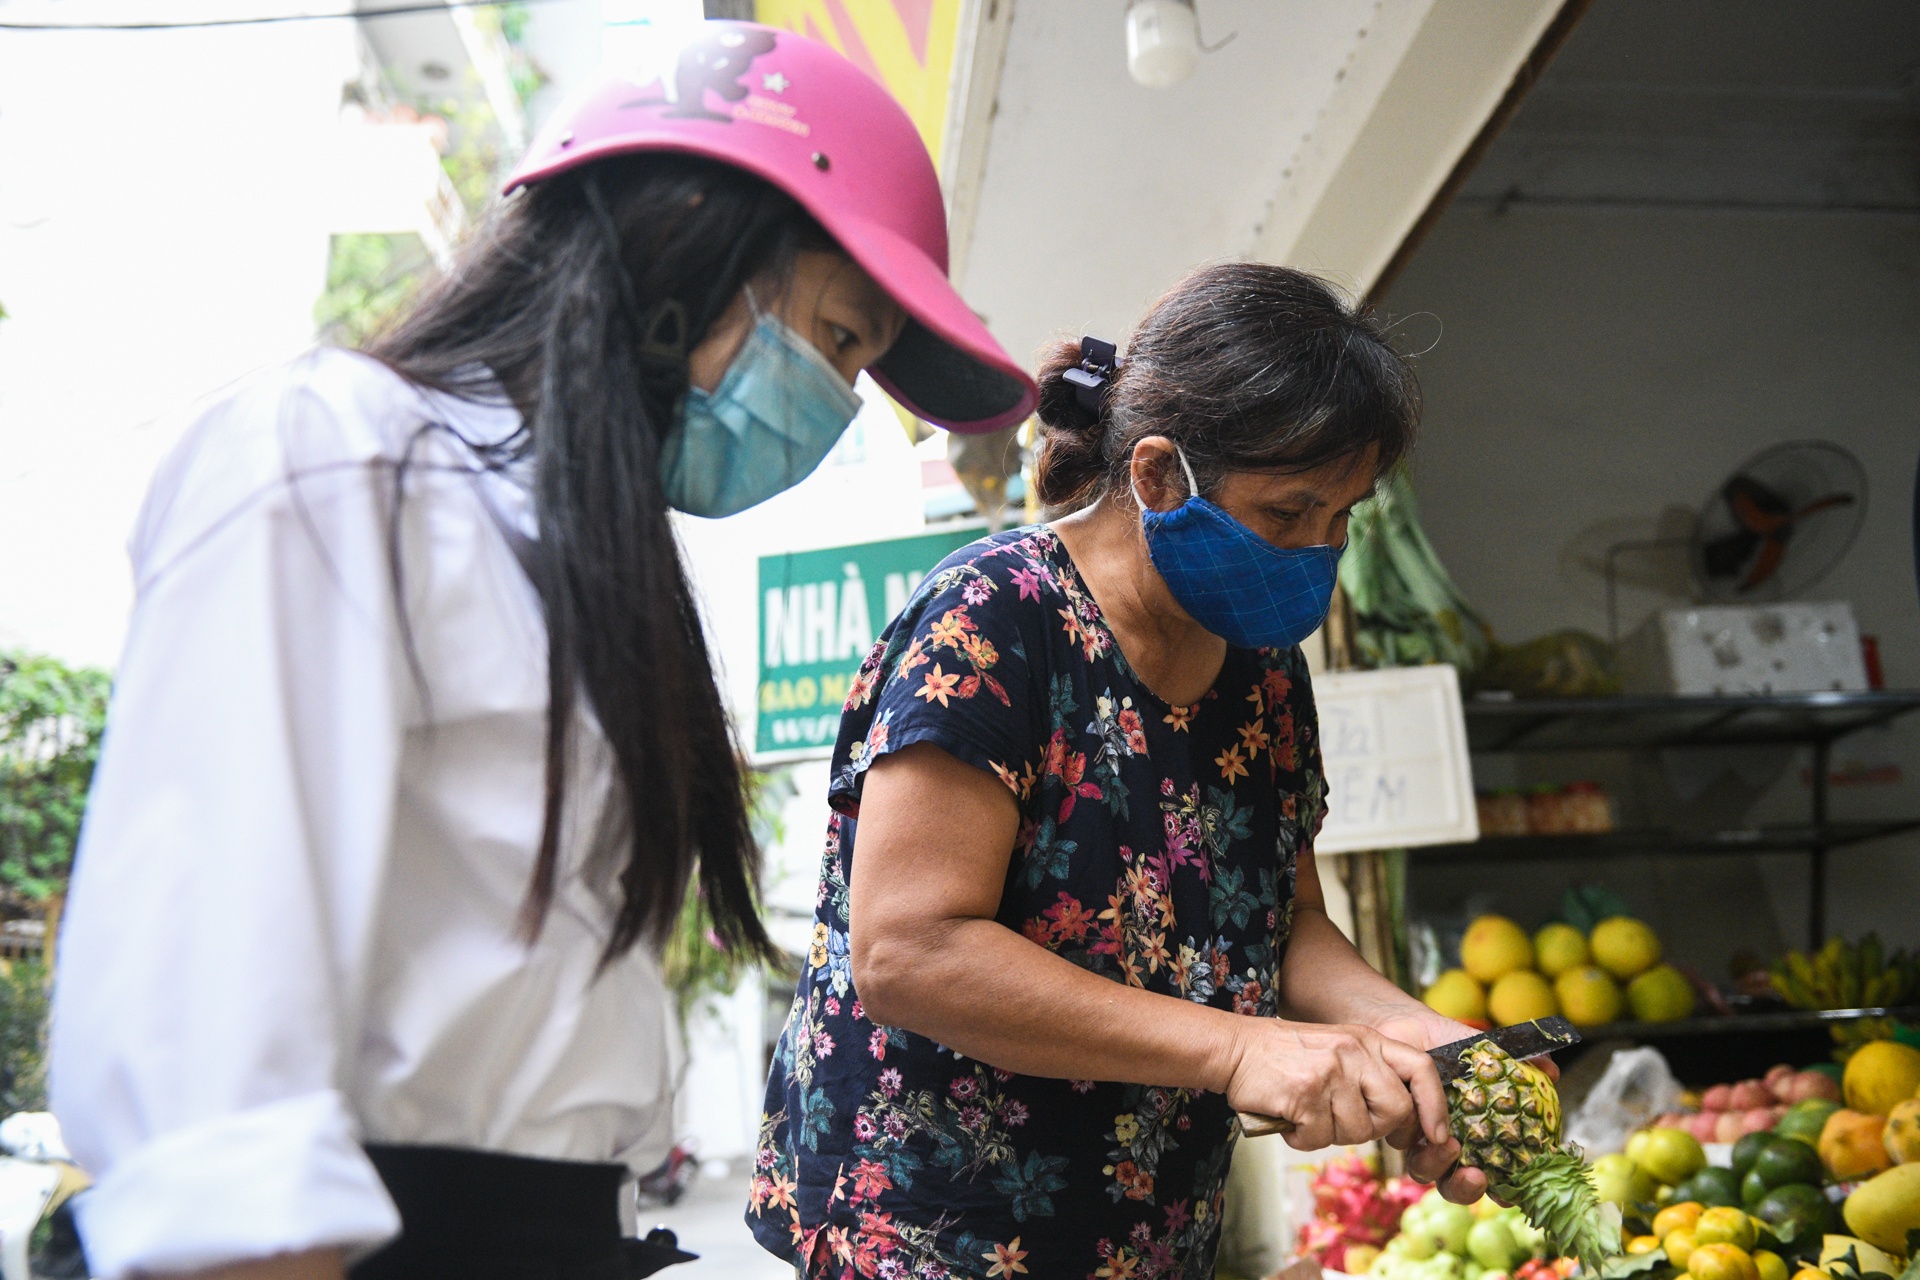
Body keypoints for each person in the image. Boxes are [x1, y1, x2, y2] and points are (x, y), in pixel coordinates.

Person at [49, 21, 1034, 1280]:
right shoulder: (346, 456)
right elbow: (216, 1107)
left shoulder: (587, 557)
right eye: (839, 337)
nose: (835, 403)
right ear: (690, 232)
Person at [749, 263, 1498, 1279]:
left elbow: (1284, 924)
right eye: (1288, 514)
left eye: (1343, 518)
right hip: (933, 1236)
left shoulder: (1264, 671)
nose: (1317, 553)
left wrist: (1407, 1031)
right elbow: (909, 950)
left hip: (1146, 1238)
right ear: (1155, 475)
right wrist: (1238, 1046)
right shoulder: (994, 620)